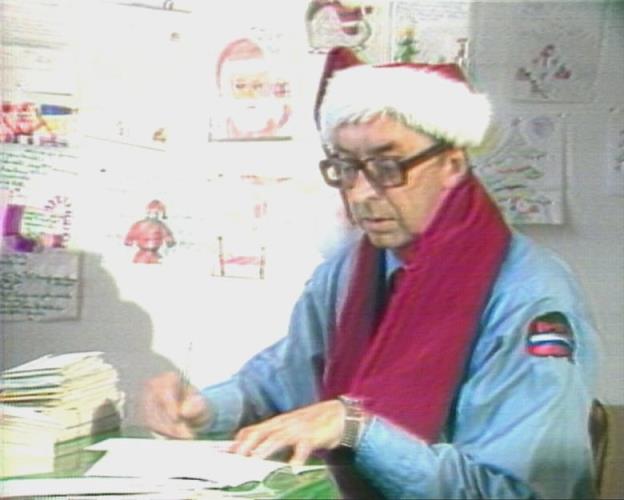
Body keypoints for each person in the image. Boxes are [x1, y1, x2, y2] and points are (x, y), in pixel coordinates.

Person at [142, 47, 599, 499]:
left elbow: (513, 492)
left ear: (453, 165)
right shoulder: (348, 273)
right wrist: (205, 408)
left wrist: (357, 429)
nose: (360, 194)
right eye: (345, 167)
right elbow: (281, 382)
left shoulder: (527, 295)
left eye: (387, 167)